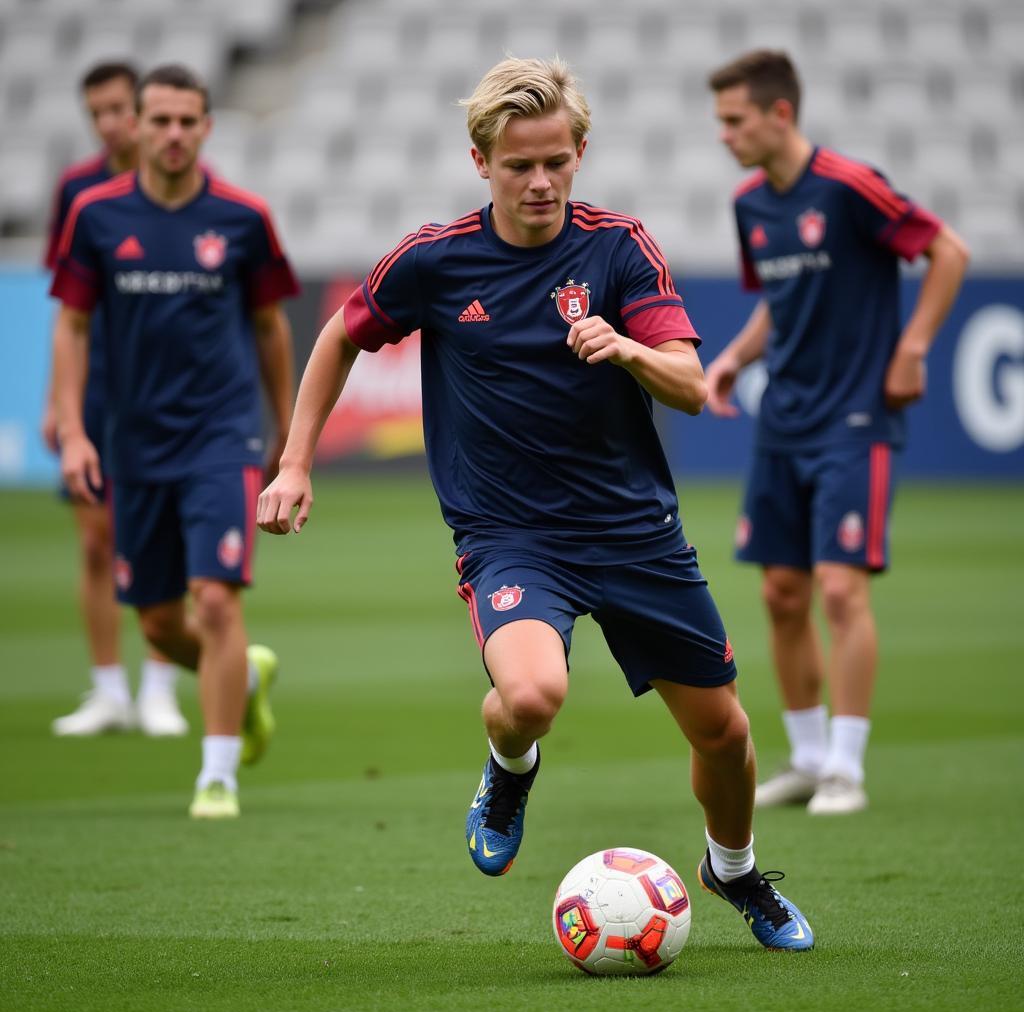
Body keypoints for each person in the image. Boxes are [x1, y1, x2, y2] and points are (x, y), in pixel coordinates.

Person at [258, 56, 813, 950]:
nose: (542, 180)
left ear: (580, 151)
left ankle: (735, 871)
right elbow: (338, 337)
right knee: (531, 694)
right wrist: (294, 464)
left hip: (634, 532)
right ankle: (510, 768)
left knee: (726, 733)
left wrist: (628, 348)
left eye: (557, 160)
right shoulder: (433, 261)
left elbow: (690, 384)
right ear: (482, 162)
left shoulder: (618, 247)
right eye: (520, 165)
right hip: (510, 535)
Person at [704, 51, 969, 815]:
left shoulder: (852, 186)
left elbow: (949, 251)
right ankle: (810, 758)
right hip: (783, 419)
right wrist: (730, 359)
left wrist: (913, 347)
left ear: (779, 114)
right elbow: (776, 306)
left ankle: (848, 768)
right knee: (783, 594)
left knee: (842, 589)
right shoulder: (751, 203)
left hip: (854, 420)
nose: (723, 135)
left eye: (734, 120)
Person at [50, 63, 299, 819]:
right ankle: (247, 682)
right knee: (158, 620)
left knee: (217, 603)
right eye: (158, 120)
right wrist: (71, 429)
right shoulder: (94, 215)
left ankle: (215, 774)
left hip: (221, 438)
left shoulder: (242, 218)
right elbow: (71, 325)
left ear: (206, 127)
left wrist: (288, 433)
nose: (172, 134)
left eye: (187, 121)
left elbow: (269, 327)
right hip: (134, 444)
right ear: (138, 124)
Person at [43, 61, 186, 739]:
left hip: (163, 392)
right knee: (95, 542)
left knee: (164, 540)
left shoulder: (177, 191)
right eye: (95, 111)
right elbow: (66, 310)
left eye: (118, 109)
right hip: (98, 386)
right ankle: (108, 691)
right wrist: (58, 406)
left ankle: (159, 688)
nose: (109, 123)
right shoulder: (78, 191)